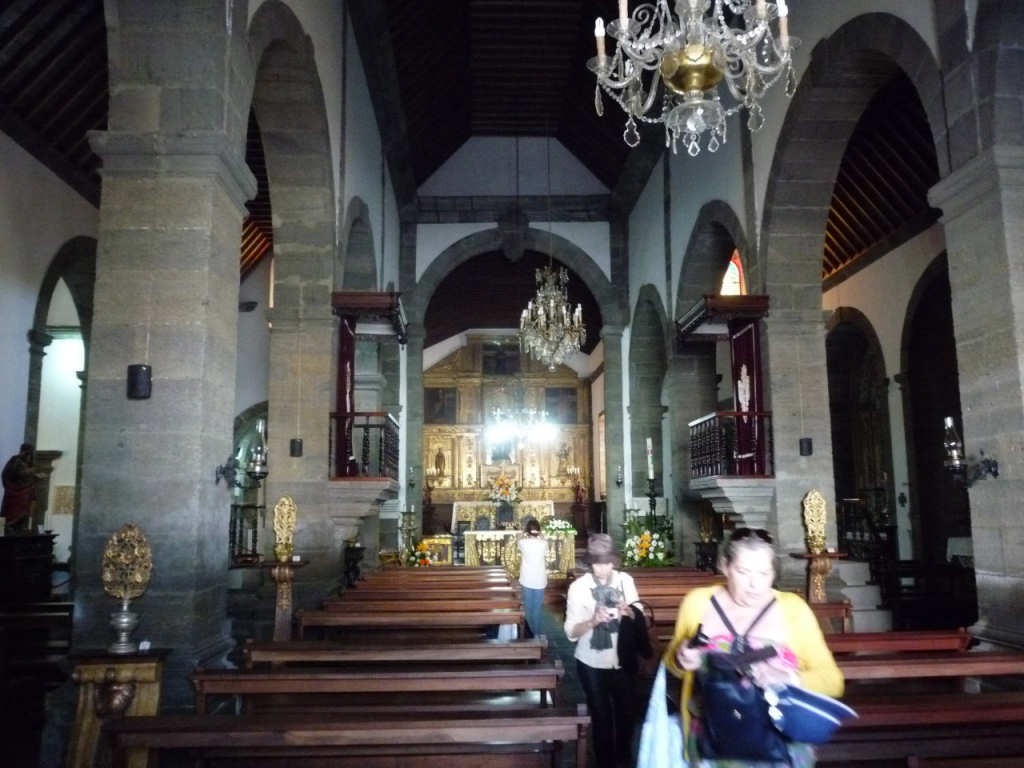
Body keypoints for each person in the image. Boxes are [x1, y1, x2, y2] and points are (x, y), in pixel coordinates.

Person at [664, 527, 844, 768]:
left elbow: (833, 681)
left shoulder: (793, 609)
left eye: (763, 573)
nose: (754, 585)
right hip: (712, 743)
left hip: (778, 746)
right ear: (725, 566)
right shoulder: (697, 603)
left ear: (773, 572)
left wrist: (787, 677)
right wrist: (681, 659)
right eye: (743, 572)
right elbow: (672, 666)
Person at [564, 533, 640, 768]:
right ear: (590, 563)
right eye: (597, 563)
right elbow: (570, 632)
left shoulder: (625, 581)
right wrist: (593, 621)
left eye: (607, 562)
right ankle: (605, 761)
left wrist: (629, 611)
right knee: (601, 715)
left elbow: (640, 615)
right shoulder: (579, 587)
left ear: (614, 561)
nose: (603, 568)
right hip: (591, 662)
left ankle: (624, 756)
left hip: (623, 659)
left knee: (627, 714)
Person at [517, 518, 547, 638]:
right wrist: (540, 534)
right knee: (537, 608)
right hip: (539, 580)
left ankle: (528, 634)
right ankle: (537, 633)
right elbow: (543, 540)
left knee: (528, 607)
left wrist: (524, 533)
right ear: (538, 531)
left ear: (527, 531)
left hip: (526, 579)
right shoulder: (543, 543)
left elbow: (518, 539)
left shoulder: (523, 542)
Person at [1, 443, 37, 533]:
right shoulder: (15, 460)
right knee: (14, 509)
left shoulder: (27, 462)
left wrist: (32, 475)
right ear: (24, 452)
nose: (29, 457)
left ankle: (23, 525)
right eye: (28, 453)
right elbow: (14, 473)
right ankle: (10, 525)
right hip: (14, 490)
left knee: (29, 499)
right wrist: (31, 471)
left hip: (23, 489)